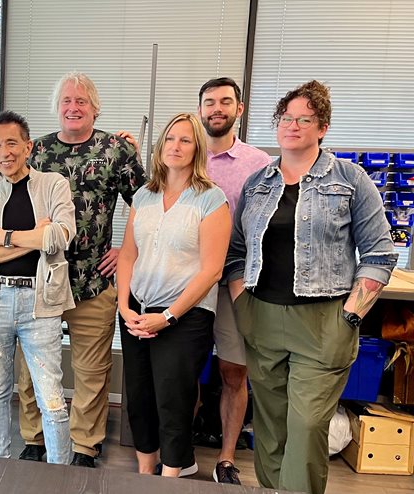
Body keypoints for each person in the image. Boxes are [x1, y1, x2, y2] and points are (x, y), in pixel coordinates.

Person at [225, 80, 397, 494]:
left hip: (324, 322)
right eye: (287, 118)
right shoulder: (258, 182)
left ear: (322, 127)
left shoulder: (350, 179)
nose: (294, 125)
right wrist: (243, 307)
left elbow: (379, 255)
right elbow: (235, 252)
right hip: (262, 316)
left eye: (305, 118)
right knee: (270, 429)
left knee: (305, 427)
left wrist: (350, 316)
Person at [18, 71, 145, 467]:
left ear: (95, 107)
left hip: (94, 279)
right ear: (57, 108)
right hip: (39, 278)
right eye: (66, 101)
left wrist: (126, 248)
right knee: (33, 367)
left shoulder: (116, 151)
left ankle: (85, 445)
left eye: (81, 101)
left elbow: (150, 204)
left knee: (91, 370)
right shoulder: (33, 151)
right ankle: (35, 438)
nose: (73, 107)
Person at [117, 112, 230, 477]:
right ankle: (146, 473)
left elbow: (212, 269)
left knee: (173, 399)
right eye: (170, 139)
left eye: (185, 140)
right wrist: (124, 307)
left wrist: (167, 317)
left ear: (197, 147)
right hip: (137, 310)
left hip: (185, 316)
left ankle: (171, 478)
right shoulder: (143, 196)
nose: (175, 146)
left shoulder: (211, 199)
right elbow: (128, 255)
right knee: (139, 398)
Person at [0, 111, 75, 464]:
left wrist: (8, 238)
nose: (4, 152)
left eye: (11, 143)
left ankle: (62, 474)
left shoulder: (52, 184)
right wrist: (33, 239)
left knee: (51, 396)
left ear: (27, 147)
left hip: (39, 303)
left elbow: (61, 235)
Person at [197, 77, 271, 484]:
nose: (217, 109)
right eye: (209, 102)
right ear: (201, 110)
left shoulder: (259, 164)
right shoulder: (186, 153)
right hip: (187, 284)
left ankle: (226, 458)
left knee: (233, 372)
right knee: (183, 371)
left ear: (239, 109)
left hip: (233, 283)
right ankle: (177, 453)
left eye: (225, 101)